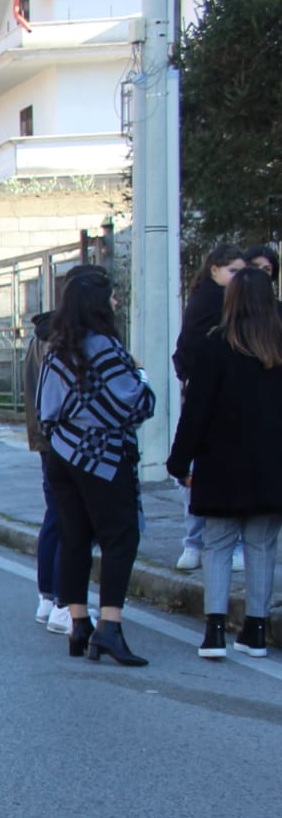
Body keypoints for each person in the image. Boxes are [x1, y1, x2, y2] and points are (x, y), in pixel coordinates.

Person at [39, 269, 156, 666]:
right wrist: (142, 376)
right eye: (112, 297)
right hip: (101, 455)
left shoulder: (56, 349)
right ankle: (110, 626)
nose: (117, 303)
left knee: (74, 536)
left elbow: (45, 409)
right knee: (120, 536)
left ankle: (78, 623)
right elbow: (134, 404)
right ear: (97, 305)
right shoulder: (104, 348)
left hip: (62, 453)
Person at [168, 264, 282, 659]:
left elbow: (196, 411)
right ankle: (255, 630)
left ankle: (214, 631)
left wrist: (179, 461)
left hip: (221, 465)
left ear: (231, 301)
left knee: (216, 545)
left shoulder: (215, 345)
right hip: (271, 465)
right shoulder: (278, 345)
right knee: (262, 546)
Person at [24, 266, 112, 637]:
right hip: (69, 440)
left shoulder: (45, 333)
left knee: (57, 516)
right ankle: (64, 602)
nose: (114, 302)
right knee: (72, 521)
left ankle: (49, 597)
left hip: (47, 437)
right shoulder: (67, 338)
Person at [172, 245, 246, 572]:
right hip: (210, 394)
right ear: (214, 269)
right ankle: (199, 542)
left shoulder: (206, 298)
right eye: (233, 271)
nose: (237, 279)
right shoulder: (213, 300)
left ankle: (196, 543)